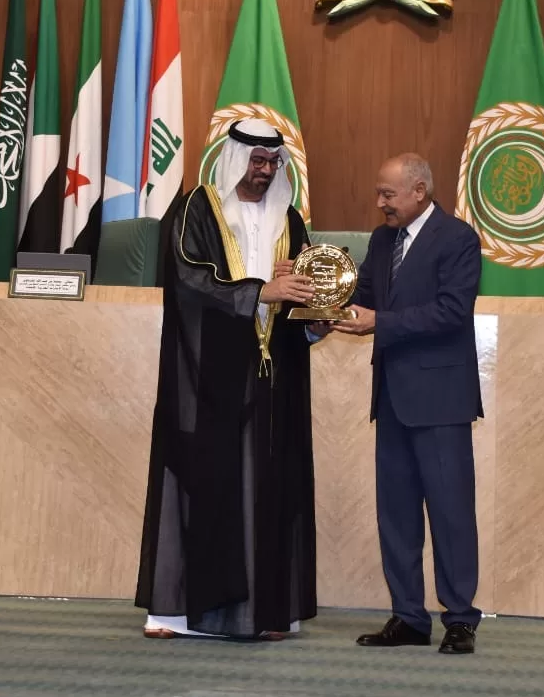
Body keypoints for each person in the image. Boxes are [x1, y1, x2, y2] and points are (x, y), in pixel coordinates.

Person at [135, 119, 319, 639]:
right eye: (256, 161)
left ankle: (268, 613)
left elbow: (302, 292)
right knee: (205, 483)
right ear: (236, 158)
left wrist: (315, 320)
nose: (265, 172)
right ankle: (175, 614)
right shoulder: (197, 209)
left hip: (274, 374)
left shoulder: (291, 221)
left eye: (273, 163)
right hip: (209, 375)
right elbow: (188, 279)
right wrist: (260, 292)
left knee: (270, 486)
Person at [334, 153, 483, 655]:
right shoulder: (382, 241)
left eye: (388, 194)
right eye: (379, 193)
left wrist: (381, 322)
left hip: (441, 402)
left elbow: (452, 312)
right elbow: (363, 295)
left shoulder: (458, 239)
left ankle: (459, 619)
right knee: (395, 516)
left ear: (420, 191)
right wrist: (320, 301)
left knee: (451, 514)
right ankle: (409, 618)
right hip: (392, 400)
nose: (380, 203)